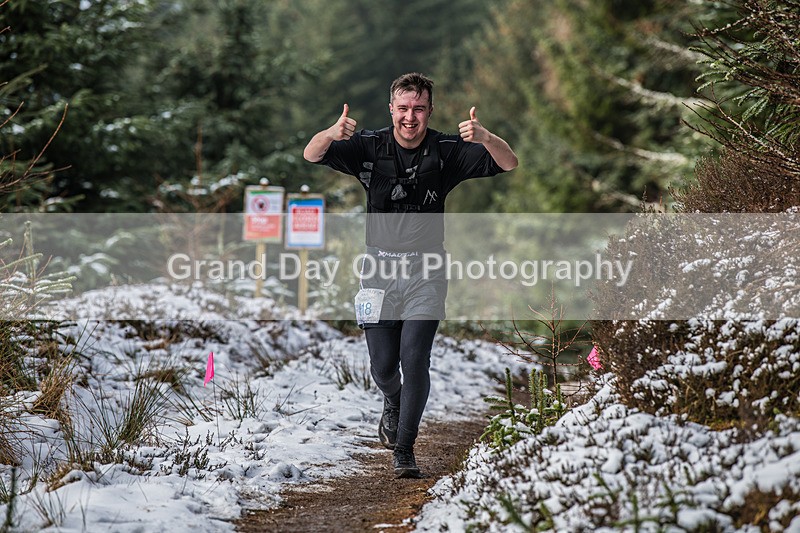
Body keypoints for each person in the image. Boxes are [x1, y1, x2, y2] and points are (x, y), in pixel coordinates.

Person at [303, 72, 518, 478]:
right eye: (403, 108)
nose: (410, 117)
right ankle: (394, 401)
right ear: (391, 109)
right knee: (383, 367)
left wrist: (487, 137)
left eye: (418, 108)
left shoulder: (447, 150)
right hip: (377, 270)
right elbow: (311, 154)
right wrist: (331, 133)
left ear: (429, 111)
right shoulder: (368, 145)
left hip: (427, 270)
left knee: (414, 358)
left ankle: (404, 448)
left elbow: (510, 162)